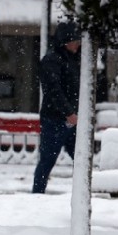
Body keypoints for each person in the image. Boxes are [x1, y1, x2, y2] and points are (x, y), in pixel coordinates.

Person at [32, 21, 82, 194]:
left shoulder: (71, 59)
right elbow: (53, 90)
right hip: (56, 119)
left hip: (70, 118)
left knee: (79, 158)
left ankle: (82, 192)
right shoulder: (53, 60)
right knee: (48, 160)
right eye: (75, 40)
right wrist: (68, 112)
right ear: (65, 41)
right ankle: (37, 194)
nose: (78, 44)